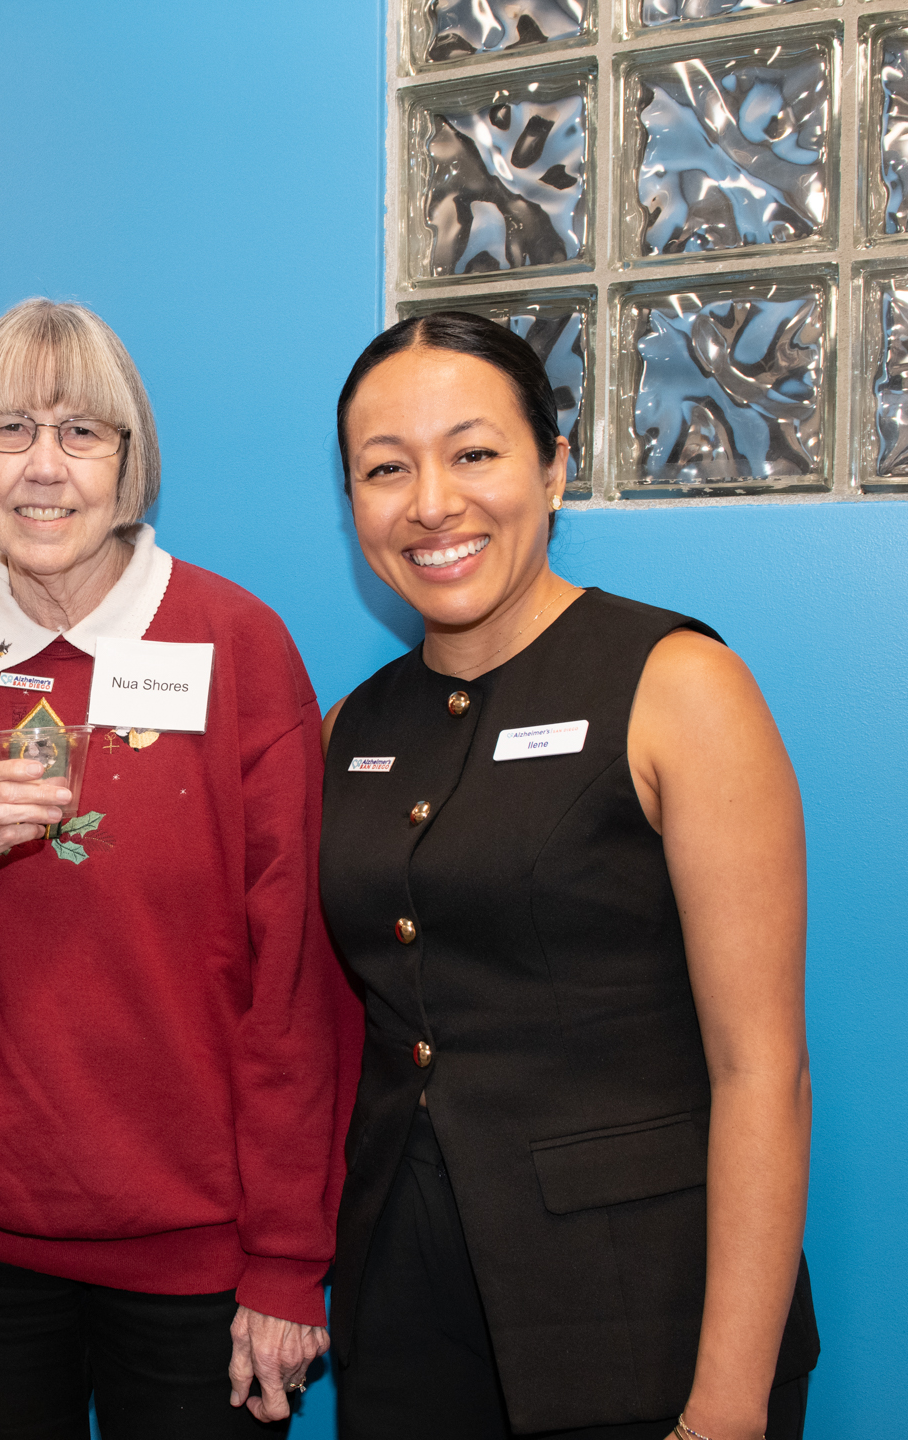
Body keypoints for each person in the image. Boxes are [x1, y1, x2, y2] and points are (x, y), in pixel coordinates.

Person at [0, 298, 363, 1438]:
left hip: (202, 1259)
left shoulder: (237, 648)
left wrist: (286, 1256)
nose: (44, 468)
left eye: (81, 433)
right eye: (9, 431)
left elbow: (297, 980)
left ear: (131, 459)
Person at [320, 311, 818, 1439]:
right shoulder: (352, 727)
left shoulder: (677, 685)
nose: (432, 503)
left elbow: (762, 1071)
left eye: (474, 452)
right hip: (407, 1319)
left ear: (553, 469)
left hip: (642, 1318)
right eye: (386, 469)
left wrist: (726, 1407)